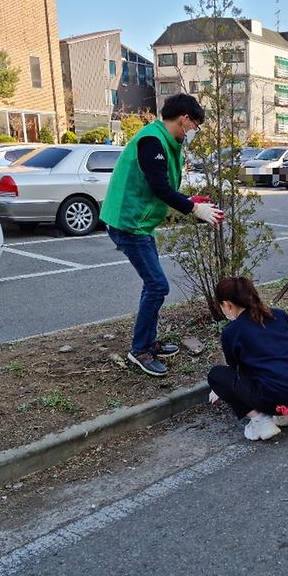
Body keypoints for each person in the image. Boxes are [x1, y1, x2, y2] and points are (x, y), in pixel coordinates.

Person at [100, 93, 224, 376]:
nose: (193, 131)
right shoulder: (152, 141)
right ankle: (140, 350)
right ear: (184, 119)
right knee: (157, 286)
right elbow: (159, 187)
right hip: (128, 223)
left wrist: (191, 201)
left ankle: (148, 341)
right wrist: (194, 209)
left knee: (152, 285)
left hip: (139, 223)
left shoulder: (164, 140)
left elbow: (162, 187)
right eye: (195, 125)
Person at [207, 277, 288, 441]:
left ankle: (260, 422)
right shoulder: (279, 315)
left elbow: (235, 370)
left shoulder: (231, 332)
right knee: (281, 370)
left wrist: (220, 387)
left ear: (227, 304)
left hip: (273, 399)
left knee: (216, 375)